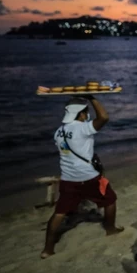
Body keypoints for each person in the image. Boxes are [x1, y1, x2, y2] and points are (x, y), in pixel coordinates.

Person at [41, 95, 123, 259]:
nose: (87, 115)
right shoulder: (82, 128)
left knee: (59, 212)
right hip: (89, 177)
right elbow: (104, 117)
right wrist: (92, 99)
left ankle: (47, 249)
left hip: (68, 179)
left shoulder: (59, 132)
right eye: (85, 112)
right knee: (110, 199)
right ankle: (110, 229)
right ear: (80, 114)